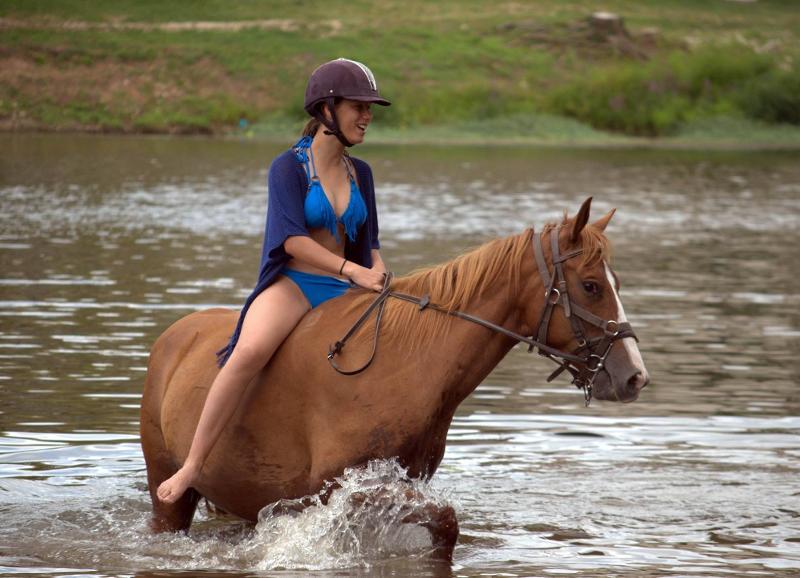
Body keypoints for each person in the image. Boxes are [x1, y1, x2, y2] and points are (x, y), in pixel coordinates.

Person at [156, 58, 391, 504]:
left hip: (347, 291)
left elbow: (370, 243)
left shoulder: (362, 173)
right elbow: (292, 241)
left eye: (369, 108)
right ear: (327, 109)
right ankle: (194, 465)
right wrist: (352, 271)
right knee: (248, 352)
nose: (367, 116)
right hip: (296, 285)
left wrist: (377, 270)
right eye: (358, 107)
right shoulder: (288, 168)